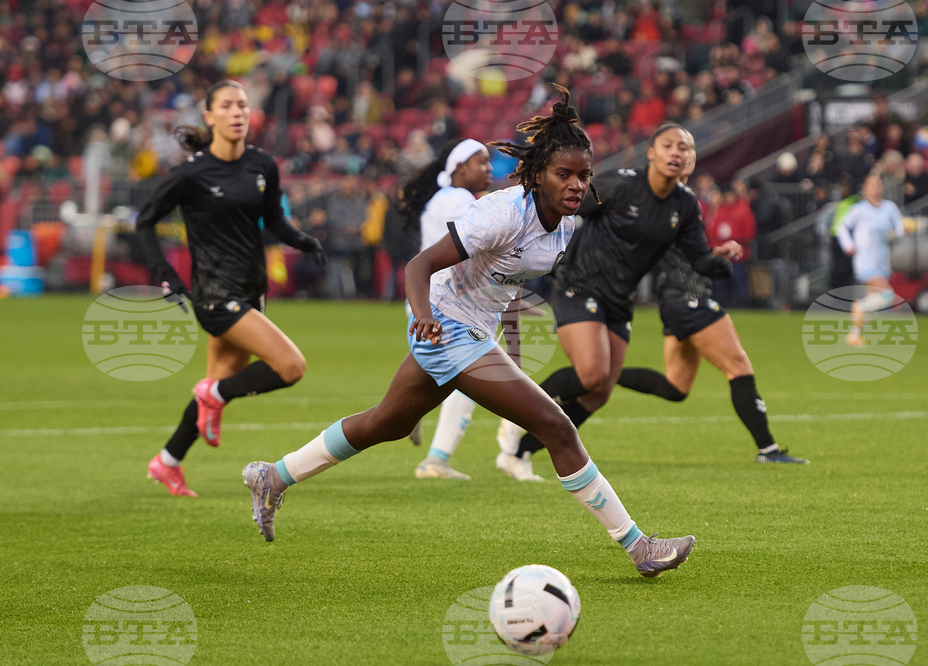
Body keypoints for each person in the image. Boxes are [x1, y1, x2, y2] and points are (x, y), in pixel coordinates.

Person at [241, 86, 697, 578]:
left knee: (386, 424)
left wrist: (514, 333)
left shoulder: (564, 225)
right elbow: (418, 266)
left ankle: (273, 475)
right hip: (447, 330)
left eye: (584, 175)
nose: (576, 184)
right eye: (564, 174)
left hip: (474, 330)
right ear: (537, 173)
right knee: (557, 427)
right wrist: (423, 316)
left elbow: (508, 282)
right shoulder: (500, 213)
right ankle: (639, 547)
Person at [503, 122, 734, 479]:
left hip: (619, 301)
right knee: (592, 374)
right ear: (652, 153)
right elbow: (562, 208)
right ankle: (519, 413)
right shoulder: (621, 184)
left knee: (599, 393)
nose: (677, 152)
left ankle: (519, 452)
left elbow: (699, 259)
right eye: (669, 145)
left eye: (685, 148)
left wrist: (721, 261)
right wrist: (526, 256)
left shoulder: (685, 205)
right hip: (579, 286)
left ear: (691, 160)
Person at [138, 80, 325, 497]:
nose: (237, 111)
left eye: (242, 104)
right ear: (210, 116)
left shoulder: (262, 164)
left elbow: (273, 219)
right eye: (227, 105)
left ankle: (167, 461)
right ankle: (213, 394)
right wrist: (162, 270)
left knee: (219, 382)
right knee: (290, 367)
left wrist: (300, 240)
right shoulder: (192, 172)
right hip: (213, 294)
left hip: (251, 290)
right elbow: (144, 219)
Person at [613, 149, 809, 464]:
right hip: (690, 298)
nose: (682, 161)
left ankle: (601, 375)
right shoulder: (668, 203)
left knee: (676, 386)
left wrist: (715, 253)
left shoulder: (678, 201)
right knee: (739, 366)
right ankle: (768, 450)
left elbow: (678, 249)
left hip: (677, 301)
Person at [396, 137, 495, 479]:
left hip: (433, 303)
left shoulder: (445, 198)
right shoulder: (459, 201)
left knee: (436, 383)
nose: (489, 168)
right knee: (475, 375)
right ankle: (436, 460)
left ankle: (408, 415)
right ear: (459, 168)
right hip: (445, 307)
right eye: (481, 161)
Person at [837, 173, 906, 346]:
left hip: (883, 259)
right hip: (865, 260)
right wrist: (848, 245)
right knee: (887, 295)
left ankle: (855, 335)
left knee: (873, 298)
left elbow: (899, 229)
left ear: (882, 188)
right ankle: (859, 307)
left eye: (878, 185)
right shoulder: (859, 210)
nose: (875, 189)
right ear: (865, 189)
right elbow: (841, 227)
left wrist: (900, 232)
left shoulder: (889, 208)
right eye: (871, 186)